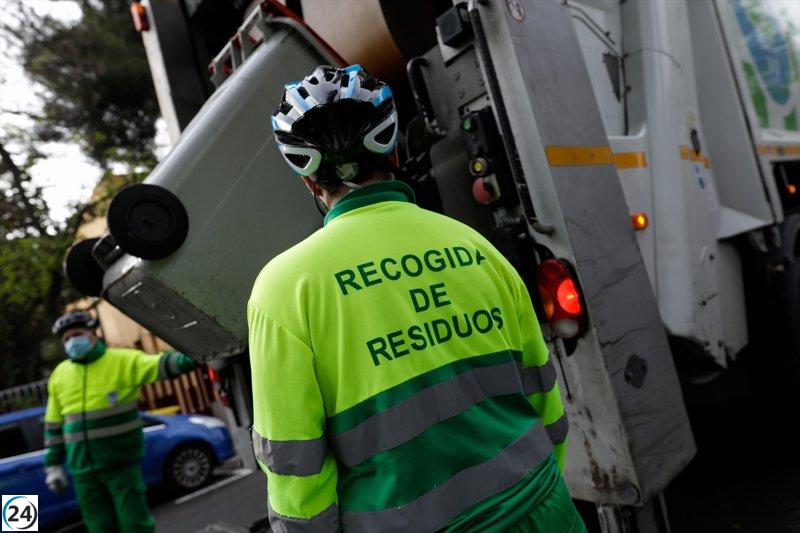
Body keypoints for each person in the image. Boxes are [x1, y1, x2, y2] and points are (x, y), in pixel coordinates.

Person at [248, 65, 586, 532]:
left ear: (310, 182)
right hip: (542, 509)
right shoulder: (474, 247)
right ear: (395, 150)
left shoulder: (283, 289)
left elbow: (295, 472)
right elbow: (545, 396)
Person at [43, 310, 197, 533]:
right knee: (99, 527)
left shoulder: (121, 360)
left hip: (120, 464)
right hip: (82, 470)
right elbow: (53, 424)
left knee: (134, 524)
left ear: (92, 334)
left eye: (76, 334)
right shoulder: (60, 374)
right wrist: (53, 465)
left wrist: (198, 355)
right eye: (66, 339)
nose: (71, 342)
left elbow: (162, 365)